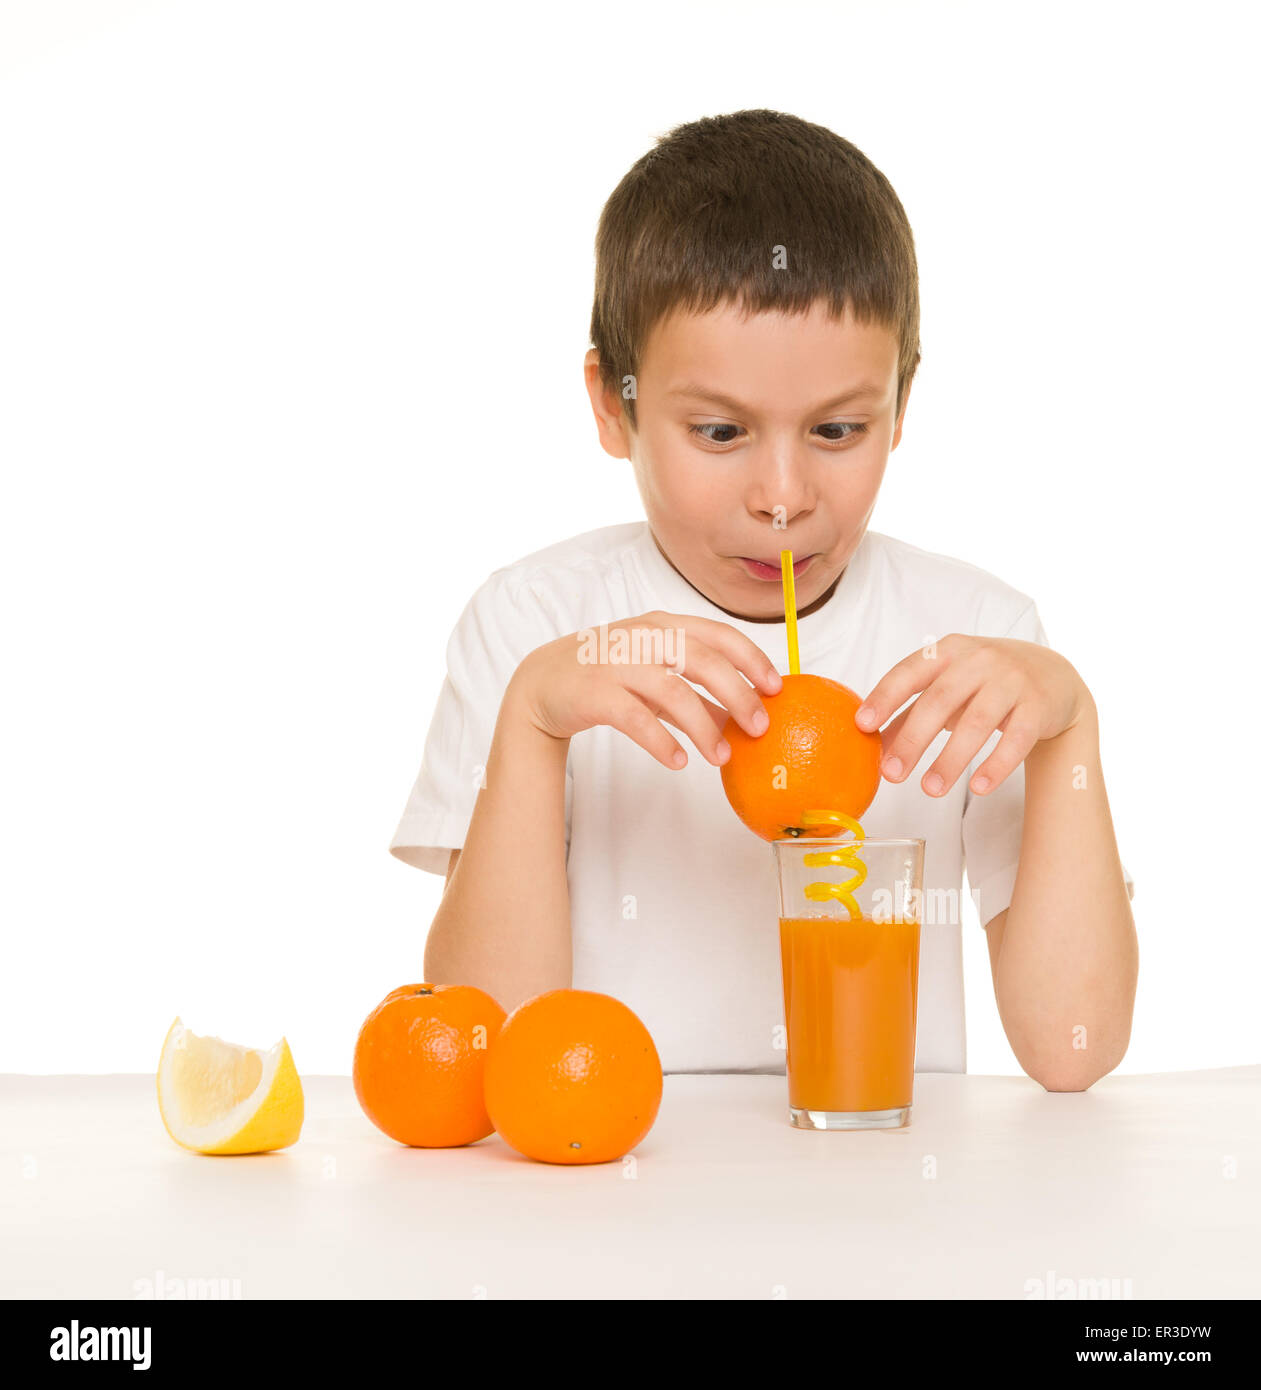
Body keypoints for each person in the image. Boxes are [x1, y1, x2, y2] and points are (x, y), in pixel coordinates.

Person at [389, 109, 1137, 1089]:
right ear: (613, 408)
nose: (782, 498)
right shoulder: (532, 625)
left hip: (886, 1203)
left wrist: (1070, 728)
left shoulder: (980, 644)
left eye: (835, 431)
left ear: (900, 408)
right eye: (717, 432)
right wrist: (532, 724)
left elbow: (1070, 1048)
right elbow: (489, 1044)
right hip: (609, 1207)